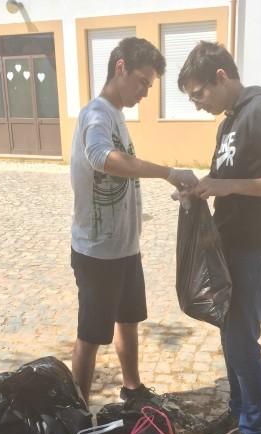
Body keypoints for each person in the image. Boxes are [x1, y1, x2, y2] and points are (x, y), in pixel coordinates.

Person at [177, 41, 261, 434]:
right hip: (229, 247)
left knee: (241, 338)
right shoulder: (228, 121)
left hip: (256, 249)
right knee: (228, 332)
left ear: (221, 77)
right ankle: (237, 409)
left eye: (198, 94)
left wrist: (230, 187)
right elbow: (228, 175)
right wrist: (202, 187)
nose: (197, 105)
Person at [70, 37, 198, 407]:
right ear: (120, 67)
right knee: (91, 334)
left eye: (150, 85)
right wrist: (168, 172)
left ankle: (133, 389)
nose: (145, 91)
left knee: (128, 319)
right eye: (143, 81)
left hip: (124, 248)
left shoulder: (116, 115)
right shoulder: (96, 113)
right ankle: (77, 410)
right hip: (97, 252)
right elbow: (101, 157)